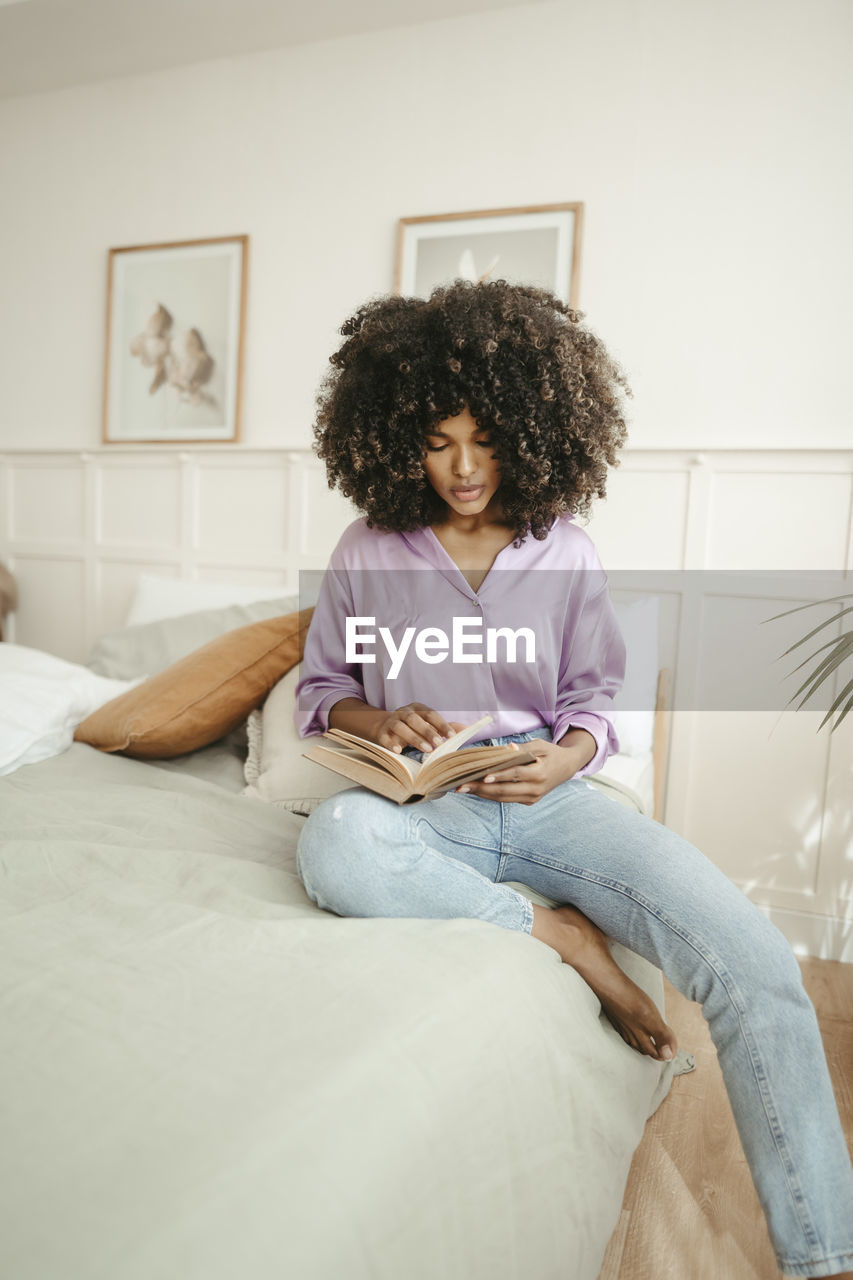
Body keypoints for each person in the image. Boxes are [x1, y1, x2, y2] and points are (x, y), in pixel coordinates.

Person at [293, 279, 853, 1278]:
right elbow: (325, 688)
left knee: (760, 966)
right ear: (391, 440)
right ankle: (559, 936)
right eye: (435, 442)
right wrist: (382, 715)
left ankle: (824, 1252)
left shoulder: (568, 549)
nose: (462, 468)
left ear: (528, 427)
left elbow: (595, 703)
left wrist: (568, 752)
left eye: (483, 438)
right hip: (429, 816)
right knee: (334, 840)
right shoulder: (365, 549)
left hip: (552, 805)